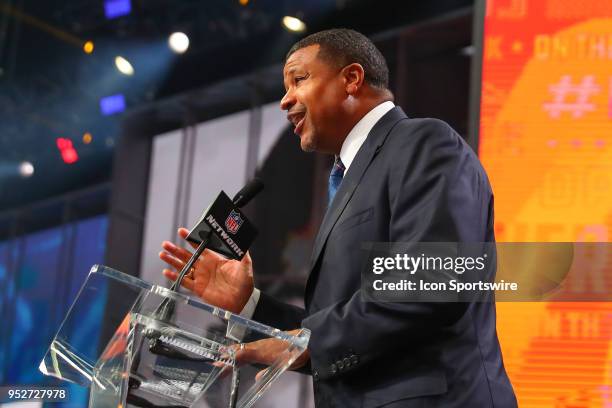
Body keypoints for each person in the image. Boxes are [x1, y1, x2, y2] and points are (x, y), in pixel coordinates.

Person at [159, 28, 517, 407]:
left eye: (299, 79)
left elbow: (430, 282)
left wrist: (307, 340)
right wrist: (249, 304)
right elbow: (344, 324)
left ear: (351, 79)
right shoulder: (349, 176)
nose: (285, 100)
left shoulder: (423, 143)